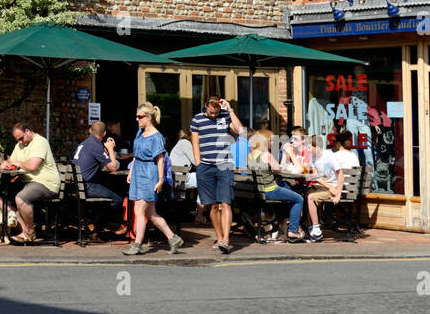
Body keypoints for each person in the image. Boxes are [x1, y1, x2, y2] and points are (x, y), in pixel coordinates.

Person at [123, 103, 184, 255]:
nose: (137, 119)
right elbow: (136, 154)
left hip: (149, 174)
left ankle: (137, 245)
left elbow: (160, 160)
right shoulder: (140, 133)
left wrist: (161, 180)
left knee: (139, 210)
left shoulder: (157, 137)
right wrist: (131, 172)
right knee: (151, 214)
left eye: (140, 117)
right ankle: (173, 238)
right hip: (138, 173)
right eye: (136, 116)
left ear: (149, 117)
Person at [190, 96, 243, 253]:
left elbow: (240, 131)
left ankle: (226, 240)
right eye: (211, 112)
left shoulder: (225, 116)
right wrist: (199, 164)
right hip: (205, 167)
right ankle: (219, 238)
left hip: (223, 165)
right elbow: (195, 143)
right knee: (212, 205)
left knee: (225, 202)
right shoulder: (197, 120)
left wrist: (230, 109)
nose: (213, 115)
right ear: (206, 106)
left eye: (216, 112)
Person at [3, 122, 60, 244]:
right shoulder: (20, 145)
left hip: (45, 183)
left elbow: (33, 166)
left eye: (21, 138)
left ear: (27, 131)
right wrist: (6, 164)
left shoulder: (40, 142)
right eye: (17, 140)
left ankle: (28, 232)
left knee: (21, 199)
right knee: (0, 198)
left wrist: (18, 164)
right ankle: (25, 231)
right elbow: (9, 160)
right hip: (27, 182)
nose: (20, 142)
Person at [248, 128, 305, 243]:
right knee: (299, 198)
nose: (273, 143)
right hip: (271, 190)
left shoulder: (251, 154)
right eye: (271, 140)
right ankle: (293, 230)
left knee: (287, 188)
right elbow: (278, 169)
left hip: (260, 190)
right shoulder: (266, 154)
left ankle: (281, 225)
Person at [304, 130, 359, 242]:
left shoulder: (329, 155)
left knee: (311, 197)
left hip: (335, 187)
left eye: (309, 147)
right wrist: (328, 186)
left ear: (318, 147)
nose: (307, 150)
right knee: (302, 194)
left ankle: (316, 231)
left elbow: (341, 175)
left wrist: (338, 194)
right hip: (327, 187)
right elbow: (316, 177)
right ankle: (310, 228)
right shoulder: (312, 158)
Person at [73, 120, 124, 217]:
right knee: (118, 199)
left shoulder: (83, 144)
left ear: (90, 130)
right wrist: (110, 149)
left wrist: (105, 153)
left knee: (105, 188)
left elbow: (96, 163)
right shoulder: (96, 146)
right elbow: (113, 168)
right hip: (86, 187)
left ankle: (95, 221)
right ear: (104, 133)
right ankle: (104, 224)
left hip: (76, 186)